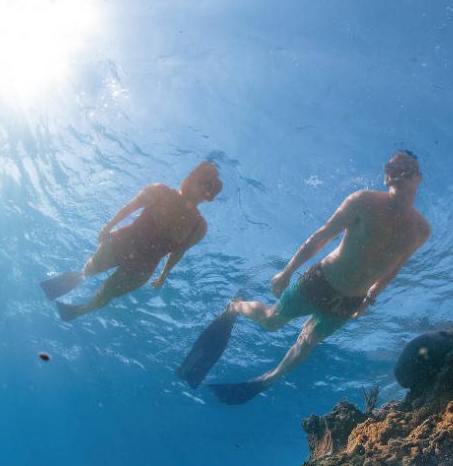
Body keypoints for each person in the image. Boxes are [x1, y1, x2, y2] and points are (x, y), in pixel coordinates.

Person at [179, 151, 430, 404]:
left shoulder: (421, 230)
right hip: (320, 281)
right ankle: (235, 306)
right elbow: (322, 236)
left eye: (407, 167)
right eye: (392, 166)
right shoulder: (363, 200)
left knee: (309, 341)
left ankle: (269, 379)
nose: (398, 171)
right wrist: (287, 271)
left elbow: (394, 268)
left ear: (418, 177)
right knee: (271, 321)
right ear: (386, 175)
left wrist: (369, 299)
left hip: (349, 301)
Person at [40, 161, 223, 321]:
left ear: (211, 196)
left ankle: (76, 312)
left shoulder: (199, 227)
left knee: (106, 293)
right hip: (120, 244)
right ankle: (76, 278)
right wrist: (107, 227)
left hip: (141, 270)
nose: (204, 187)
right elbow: (130, 207)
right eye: (202, 180)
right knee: (93, 268)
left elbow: (179, 252)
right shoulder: (161, 191)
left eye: (210, 186)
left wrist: (163, 276)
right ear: (190, 177)